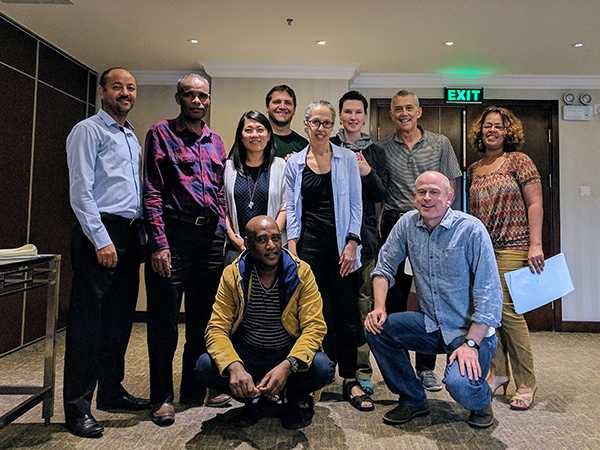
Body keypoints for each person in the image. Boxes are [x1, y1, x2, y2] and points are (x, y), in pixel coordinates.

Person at [365, 171, 502, 429]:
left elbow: (489, 295)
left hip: (471, 332)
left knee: (459, 386)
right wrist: (379, 307)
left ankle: (481, 399)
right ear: (414, 197)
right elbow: (383, 268)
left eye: (434, 192)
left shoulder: (471, 230)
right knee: (376, 328)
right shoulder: (407, 224)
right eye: (421, 192)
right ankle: (413, 399)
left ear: (449, 197)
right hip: (431, 324)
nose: (427, 198)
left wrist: (471, 344)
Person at [64, 67, 149, 438]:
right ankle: (77, 407)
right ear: (102, 91)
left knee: (118, 321)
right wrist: (101, 239)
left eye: (130, 88)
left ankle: (111, 392)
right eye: (118, 87)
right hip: (99, 234)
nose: (125, 93)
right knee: (88, 325)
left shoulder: (131, 136)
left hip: (129, 236)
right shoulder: (88, 131)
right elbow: (81, 191)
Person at [143, 73, 228, 426]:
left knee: (202, 321)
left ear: (209, 100)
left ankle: (194, 389)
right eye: (190, 95)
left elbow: (220, 192)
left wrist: (222, 230)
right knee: (164, 323)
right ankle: (162, 396)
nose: (197, 101)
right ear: (179, 98)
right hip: (173, 240)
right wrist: (159, 244)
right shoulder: (160, 133)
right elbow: (151, 192)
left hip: (208, 242)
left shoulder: (216, 141)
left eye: (203, 96)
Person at [196, 216, 334, 429]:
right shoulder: (233, 274)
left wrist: (289, 365)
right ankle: (253, 399)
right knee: (205, 366)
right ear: (248, 244)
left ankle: (293, 399)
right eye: (262, 240)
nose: (271, 246)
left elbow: (315, 327)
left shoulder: (301, 272)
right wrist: (234, 365)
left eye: (276, 238)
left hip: (286, 352)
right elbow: (216, 328)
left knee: (322, 367)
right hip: (249, 353)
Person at [286, 100, 374, 411]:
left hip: (343, 248)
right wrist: (293, 247)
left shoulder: (347, 158)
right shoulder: (294, 163)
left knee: (347, 315)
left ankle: (349, 378)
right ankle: (312, 380)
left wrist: (352, 242)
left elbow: (356, 206)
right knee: (312, 315)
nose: (321, 128)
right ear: (306, 125)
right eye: (315, 122)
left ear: (331, 126)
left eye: (326, 123)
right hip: (309, 248)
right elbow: (293, 210)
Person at [378, 89, 463, 391]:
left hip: (433, 222)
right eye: (398, 108)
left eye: (409, 108)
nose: (403, 113)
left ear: (419, 111)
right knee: (395, 297)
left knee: (430, 295)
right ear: (391, 113)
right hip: (397, 223)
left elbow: (450, 188)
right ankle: (399, 367)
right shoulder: (383, 147)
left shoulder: (440, 143)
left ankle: (426, 368)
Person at [467, 106, 543, 410]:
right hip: (483, 248)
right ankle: (498, 372)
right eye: (487, 126)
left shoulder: (519, 161)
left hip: (513, 244)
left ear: (508, 131)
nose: (492, 131)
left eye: (498, 126)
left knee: (508, 313)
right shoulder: (474, 168)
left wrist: (535, 244)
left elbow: (535, 203)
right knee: (487, 311)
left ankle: (526, 382)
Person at [330, 90, 387, 395]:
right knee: (333, 307)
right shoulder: (329, 145)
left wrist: (367, 171)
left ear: (364, 116)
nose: (353, 117)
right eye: (347, 112)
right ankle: (328, 367)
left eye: (358, 112)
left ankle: (362, 370)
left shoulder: (375, 151)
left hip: (365, 242)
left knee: (363, 308)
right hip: (333, 242)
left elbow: (382, 194)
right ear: (340, 115)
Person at [224, 110, 286, 264]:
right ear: (240, 135)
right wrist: (235, 239)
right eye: (248, 130)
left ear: (269, 135)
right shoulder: (228, 167)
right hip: (237, 248)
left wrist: (268, 240)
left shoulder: (281, 166)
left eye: (260, 130)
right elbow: (223, 209)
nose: (255, 135)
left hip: (272, 251)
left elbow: (285, 207)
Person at [265, 85, 308, 157]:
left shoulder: (303, 146)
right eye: (277, 102)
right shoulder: (257, 139)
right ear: (267, 107)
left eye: (288, 103)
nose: (282, 107)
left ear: (294, 110)